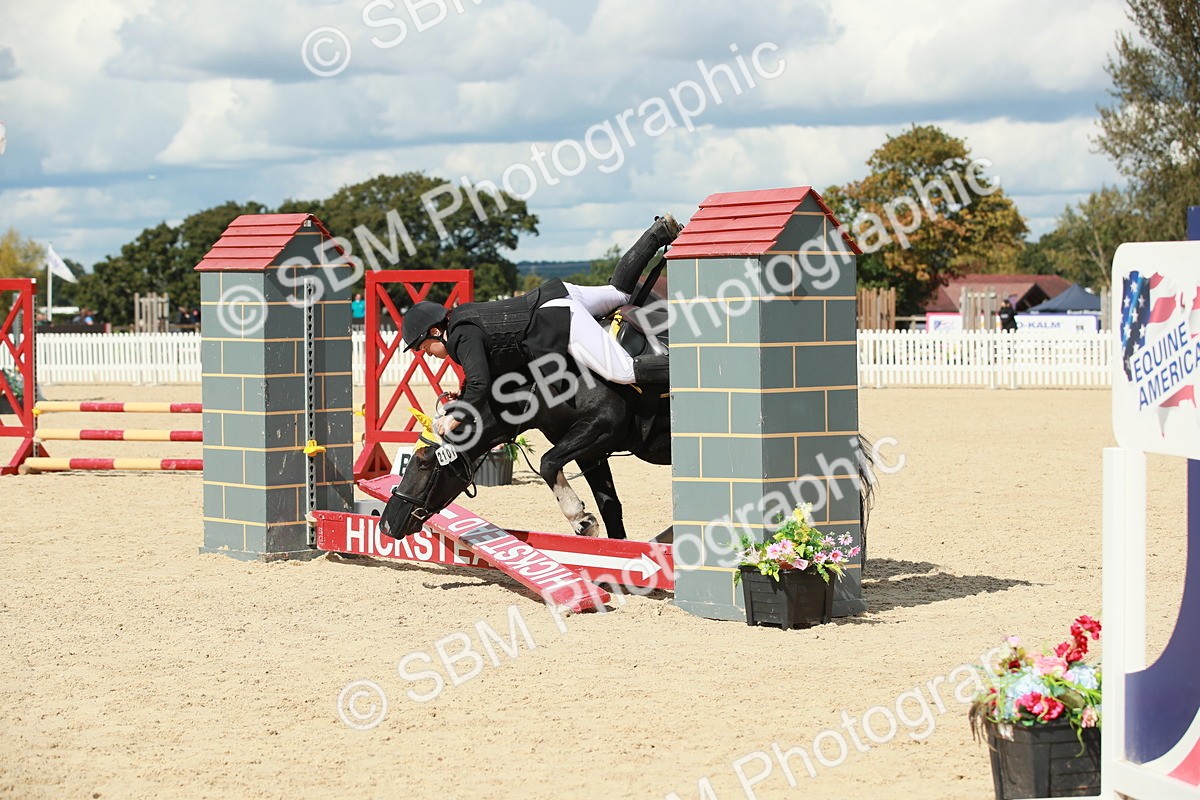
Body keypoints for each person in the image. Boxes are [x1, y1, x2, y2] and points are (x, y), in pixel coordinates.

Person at [402, 214, 681, 437]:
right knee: (619, 291)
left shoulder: (460, 336)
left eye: (423, 346)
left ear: (436, 331)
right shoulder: (463, 316)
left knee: (622, 371)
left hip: (556, 317)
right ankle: (658, 233)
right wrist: (462, 397)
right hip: (556, 294)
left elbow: (481, 382)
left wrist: (457, 416)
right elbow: (486, 373)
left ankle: (691, 367)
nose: (426, 353)